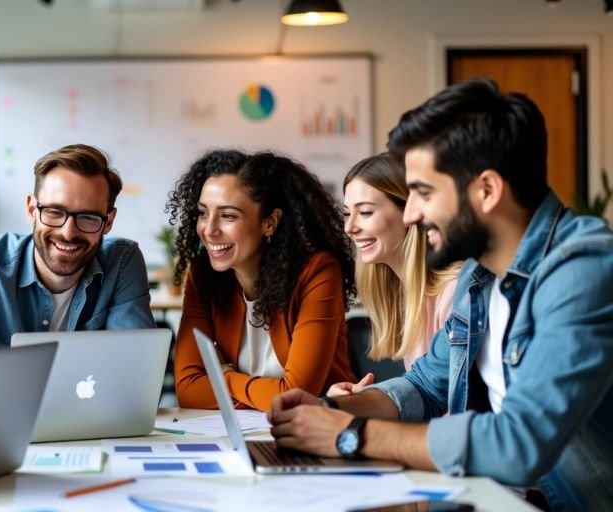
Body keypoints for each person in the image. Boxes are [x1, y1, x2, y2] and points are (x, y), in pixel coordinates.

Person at [269, 78, 613, 511]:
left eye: (423, 193)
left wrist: (349, 434)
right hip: (490, 497)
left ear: (486, 190)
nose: (411, 213)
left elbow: (520, 442)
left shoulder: (583, 269)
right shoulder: (479, 276)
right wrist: (327, 409)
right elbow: (424, 386)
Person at [0, 144, 156, 411]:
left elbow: (137, 372)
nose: (68, 232)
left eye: (87, 217)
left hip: (91, 429)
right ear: (31, 209)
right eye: (54, 212)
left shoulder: (122, 262)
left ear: (108, 222)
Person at [168, 149, 357, 412]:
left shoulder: (318, 272)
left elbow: (295, 395)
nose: (209, 230)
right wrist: (268, 394)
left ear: (270, 222)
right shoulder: (203, 275)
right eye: (203, 213)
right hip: (240, 433)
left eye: (228, 216)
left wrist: (222, 376)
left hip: (317, 430)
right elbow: (188, 391)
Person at [328, 153, 462, 396]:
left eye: (366, 212)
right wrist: (361, 402)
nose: (349, 228)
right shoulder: (407, 294)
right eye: (348, 213)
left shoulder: (454, 294)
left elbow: (453, 409)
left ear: (410, 212)